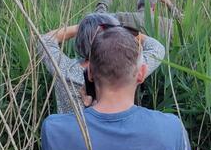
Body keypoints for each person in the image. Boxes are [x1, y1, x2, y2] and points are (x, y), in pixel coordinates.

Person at [41, 26, 193, 150]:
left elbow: (44, 41)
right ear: (142, 74)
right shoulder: (172, 128)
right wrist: (125, 29)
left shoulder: (54, 129)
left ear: (89, 73)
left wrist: (83, 26)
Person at [37, 13, 165, 113]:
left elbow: (45, 40)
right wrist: (123, 32)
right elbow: (157, 48)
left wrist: (81, 28)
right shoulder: (126, 67)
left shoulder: (64, 69)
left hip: (73, 140)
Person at [95, 0, 183, 38]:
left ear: (138, 6)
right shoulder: (166, 23)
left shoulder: (123, 17)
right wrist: (168, 2)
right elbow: (184, 24)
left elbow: (98, 16)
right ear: (154, 7)